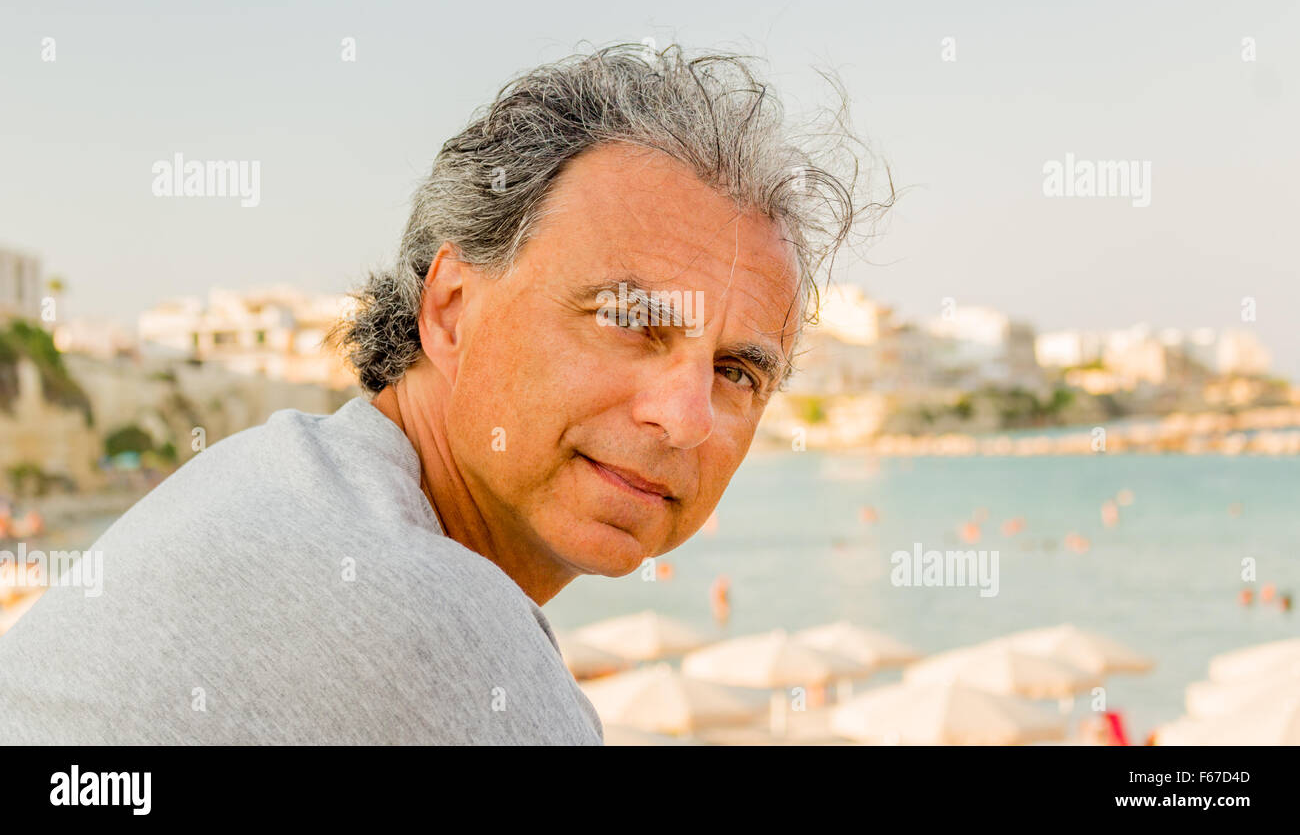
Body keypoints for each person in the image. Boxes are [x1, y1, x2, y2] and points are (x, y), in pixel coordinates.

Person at [0, 43, 882, 744]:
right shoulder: (424, 617)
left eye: (736, 373)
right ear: (452, 310)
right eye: (627, 321)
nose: (685, 417)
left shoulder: (285, 480)